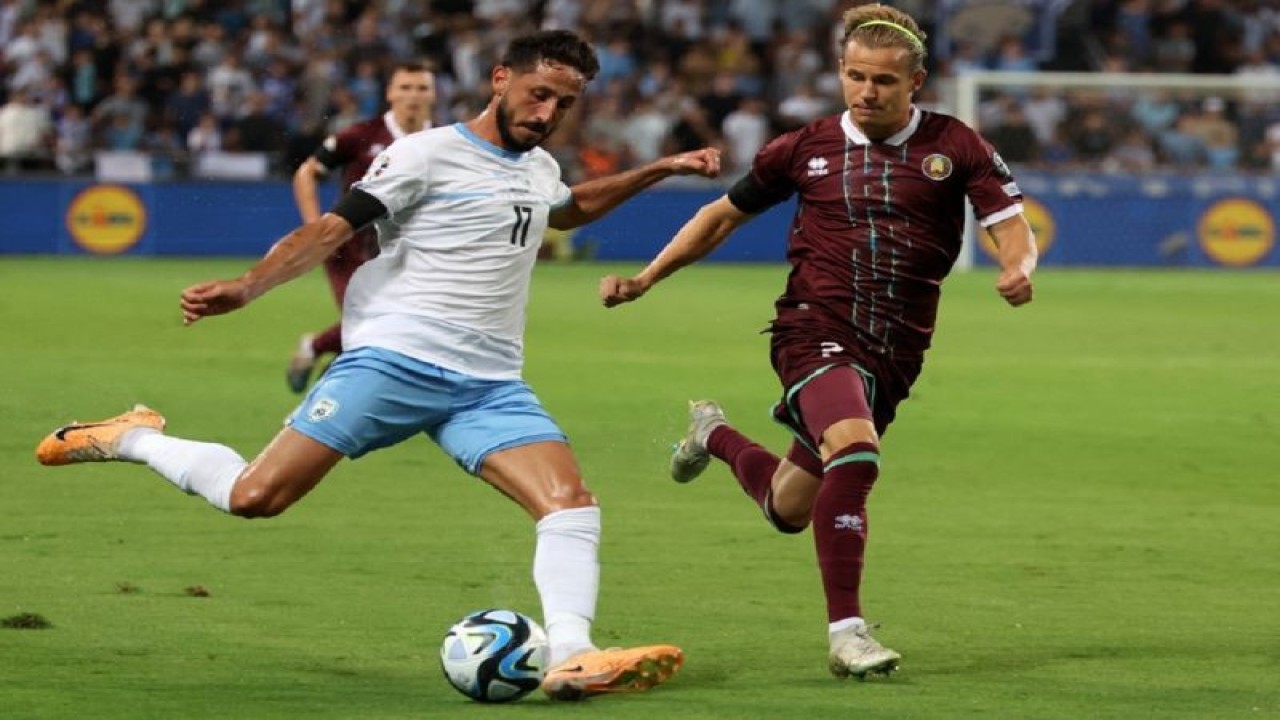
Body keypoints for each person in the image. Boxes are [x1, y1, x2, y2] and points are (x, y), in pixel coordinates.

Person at [35, 30, 721, 701]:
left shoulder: (538, 168)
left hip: (488, 385)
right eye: (539, 95)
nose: (547, 115)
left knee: (569, 505)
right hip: (394, 361)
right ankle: (134, 436)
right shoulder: (423, 155)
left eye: (564, 105)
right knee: (255, 497)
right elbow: (334, 229)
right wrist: (248, 286)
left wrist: (661, 168)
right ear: (500, 79)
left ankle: (573, 654)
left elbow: (568, 210)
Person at [598, 4, 1036, 679]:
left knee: (789, 507)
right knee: (856, 455)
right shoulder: (803, 148)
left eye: (884, 81)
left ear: (915, 80)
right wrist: (647, 277)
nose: (868, 92)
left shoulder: (957, 145)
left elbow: (1008, 219)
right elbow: (719, 218)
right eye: (856, 77)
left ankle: (711, 434)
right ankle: (848, 634)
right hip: (814, 329)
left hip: (896, 350)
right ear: (840, 73)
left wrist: (1016, 266)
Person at [286, 62, 437, 393]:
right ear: (390, 93)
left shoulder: (443, 140)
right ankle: (330, 389)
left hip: (407, 252)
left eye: (421, 88)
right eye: (405, 87)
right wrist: (315, 225)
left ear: (434, 94)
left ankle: (315, 349)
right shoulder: (361, 136)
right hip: (349, 246)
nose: (413, 96)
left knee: (395, 324)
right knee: (373, 324)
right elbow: (307, 172)